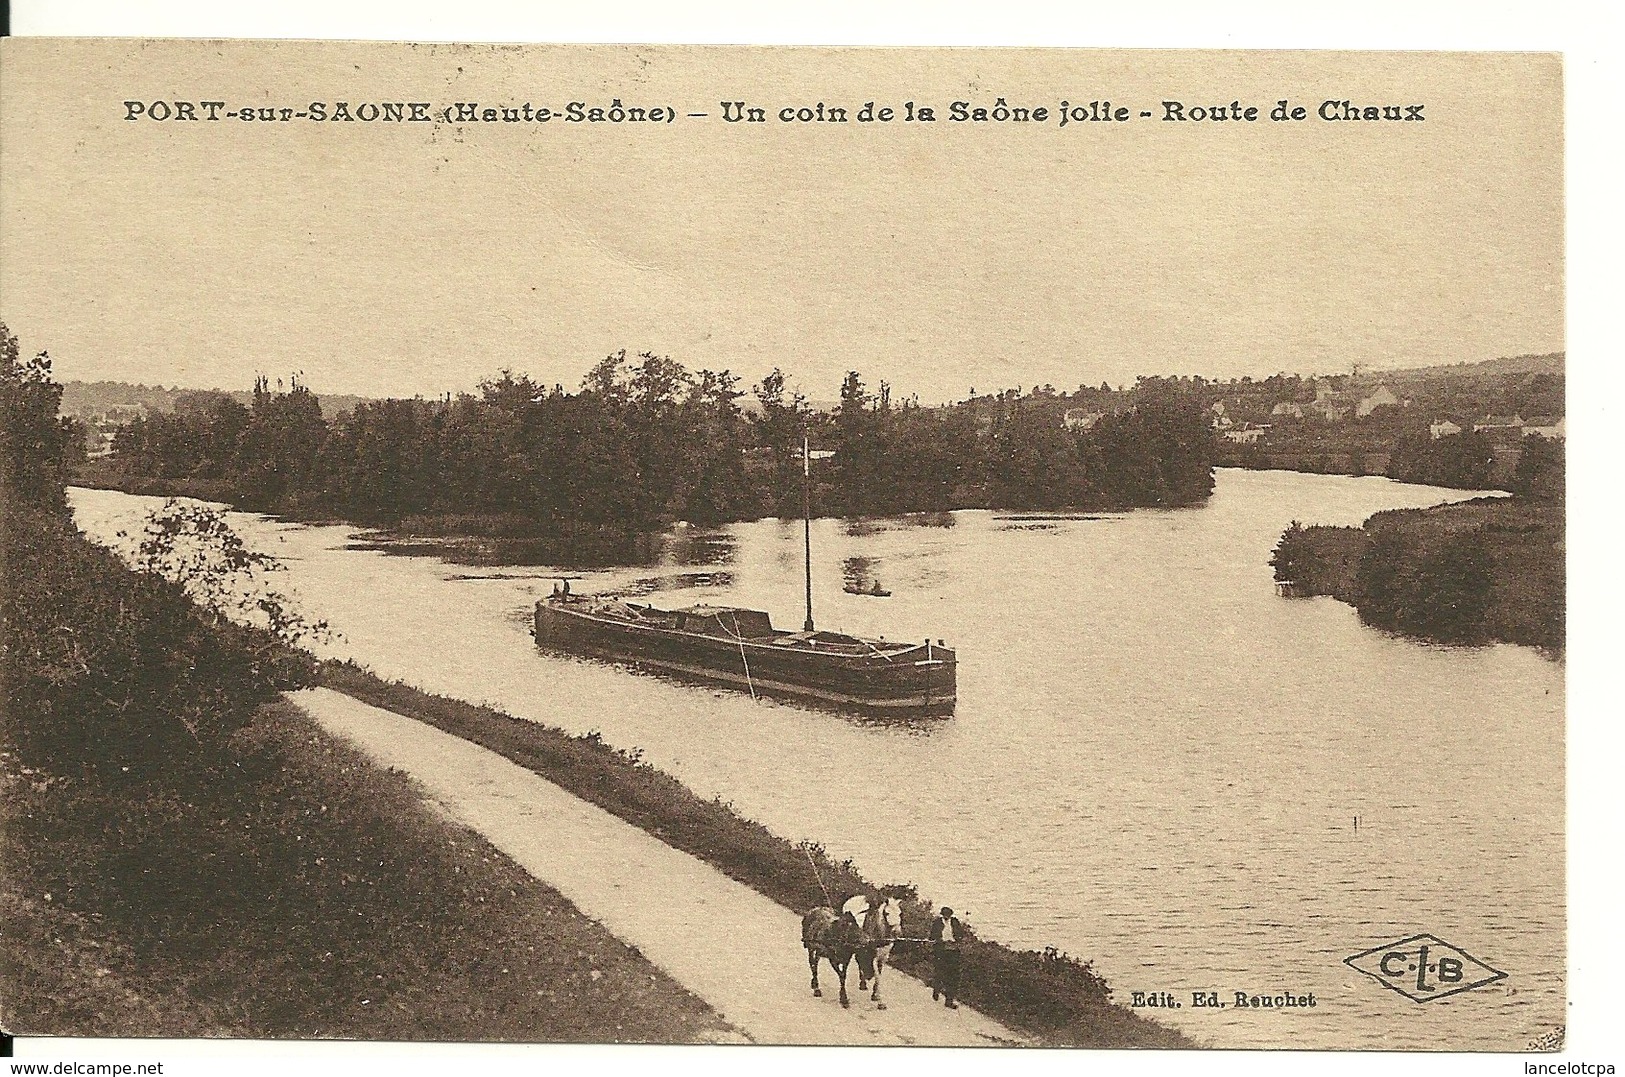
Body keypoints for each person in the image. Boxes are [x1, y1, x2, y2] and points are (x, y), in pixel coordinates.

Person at [928, 905, 965, 1008]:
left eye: (948, 915)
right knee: (940, 973)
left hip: (953, 951)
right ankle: (937, 988)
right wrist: (939, 940)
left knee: (953, 976)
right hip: (941, 951)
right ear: (942, 915)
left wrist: (956, 940)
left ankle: (949, 1001)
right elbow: (931, 937)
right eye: (945, 915)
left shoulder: (955, 922)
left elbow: (961, 934)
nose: (946, 917)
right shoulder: (937, 923)